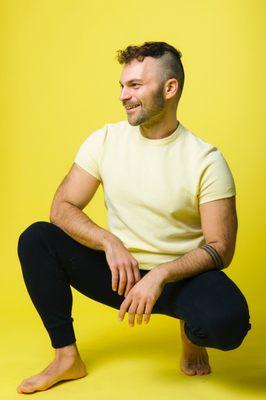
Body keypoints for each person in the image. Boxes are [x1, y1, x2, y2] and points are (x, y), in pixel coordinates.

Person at [16, 41, 251, 394]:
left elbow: (221, 248)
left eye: (136, 85)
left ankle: (190, 332)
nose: (124, 95)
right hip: (121, 275)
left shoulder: (205, 160)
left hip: (176, 280)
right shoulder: (105, 140)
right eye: (123, 86)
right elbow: (61, 207)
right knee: (36, 239)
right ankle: (66, 358)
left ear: (170, 89)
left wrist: (160, 275)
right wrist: (108, 241)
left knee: (229, 323)